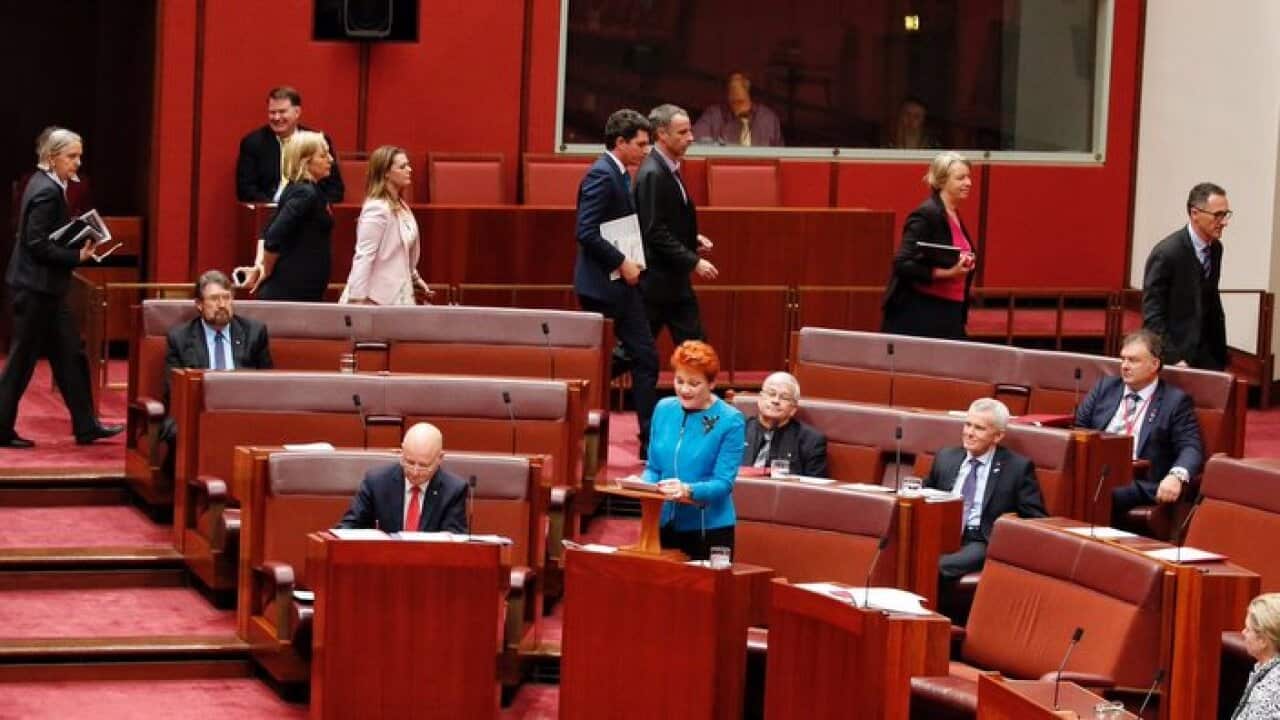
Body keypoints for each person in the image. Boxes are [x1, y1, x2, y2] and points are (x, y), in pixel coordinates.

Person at [0, 128, 122, 448]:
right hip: (35, 290)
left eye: (79, 156)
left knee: (71, 355)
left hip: (48, 290)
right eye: (71, 156)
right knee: (21, 363)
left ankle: (86, 425)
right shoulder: (45, 191)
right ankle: (1, 429)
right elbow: (36, 244)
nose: (77, 162)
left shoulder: (50, 185)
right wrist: (76, 255)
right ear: (52, 157)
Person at [573, 109, 660, 458]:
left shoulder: (620, 173)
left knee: (641, 356)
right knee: (643, 356)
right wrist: (622, 262)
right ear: (620, 142)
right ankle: (647, 442)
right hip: (604, 286)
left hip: (618, 284)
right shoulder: (602, 175)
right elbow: (586, 231)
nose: (647, 149)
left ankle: (647, 440)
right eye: (641, 143)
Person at [1074, 329, 1203, 525]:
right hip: (1097, 469)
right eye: (1123, 359)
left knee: (1102, 489)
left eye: (1133, 360)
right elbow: (1078, 428)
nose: (1125, 366)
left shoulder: (1174, 401)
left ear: (1154, 364)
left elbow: (1191, 447)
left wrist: (1176, 476)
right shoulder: (1105, 388)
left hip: (1140, 481)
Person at [632, 341, 744, 560]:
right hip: (662, 524)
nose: (684, 389)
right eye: (679, 381)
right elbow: (654, 467)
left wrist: (688, 490)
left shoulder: (731, 420)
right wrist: (642, 484)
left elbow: (723, 483)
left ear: (711, 384)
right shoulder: (663, 408)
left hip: (707, 529)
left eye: (694, 383)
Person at [925, 398, 1047, 580]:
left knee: (936, 565)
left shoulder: (1017, 468)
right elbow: (925, 493)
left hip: (981, 539)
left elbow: (1036, 519)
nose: (969, 433)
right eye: (967, 425)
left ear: (998, 436)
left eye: (979, 428)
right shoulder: (946, 457)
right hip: (943, 532)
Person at [635, 104, 717, 347]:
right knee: (632, 353)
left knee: (696, 348)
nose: (691, 138)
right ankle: (586, 378)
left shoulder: (667, 168)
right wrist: (693, 261)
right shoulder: (653, 173)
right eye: (682, 133)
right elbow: (654, 231)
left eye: (690, 131)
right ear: (661, 134)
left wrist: (691, 239)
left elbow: (666, 220)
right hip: (658, 284)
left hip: (672, 282)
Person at [881, 151, 977, 339]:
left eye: (968, 177)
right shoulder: (927, 214)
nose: (968, 183)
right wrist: (948, 273)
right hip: (923, 313)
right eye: (960, 178)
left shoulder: (952, 214)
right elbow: (901, 263)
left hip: (950, 311)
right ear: (942, 181)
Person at [237, 131, 335, 301]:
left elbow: (267, 230)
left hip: (300, 290)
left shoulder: (298, 189)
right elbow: (272, 236)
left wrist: (261, 266)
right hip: (291, 291)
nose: (331, 159)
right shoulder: (305, 193)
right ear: (305, 161)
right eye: (323, 155)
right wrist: (265, 270)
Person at [1142, 182, 1229, 370]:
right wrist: (1173, 358)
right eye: (1218, 215)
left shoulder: (1216, 249)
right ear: (1194, 213)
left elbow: (1209, 298)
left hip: (1209, 355)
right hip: (1178, 357)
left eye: (1226, 214)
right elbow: (1153, 316)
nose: (1224, 222)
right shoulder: (1166, 254)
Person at [339, 145, 431, 305]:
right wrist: (356, 300)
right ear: (386, 173)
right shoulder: (377, 208)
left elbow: (401, 251)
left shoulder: (401, 205)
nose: (409, 169)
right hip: (375, 298)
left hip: (399, 292)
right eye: (402, 167)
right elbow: (364, 255)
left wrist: (415, 278)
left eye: (408, 165)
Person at [336, 422, 469, 533]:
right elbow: (347, 528)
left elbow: (454, 545)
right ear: (402, 452)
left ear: (440, 458)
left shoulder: (453, 491)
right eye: (410, 462)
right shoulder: (376, 482)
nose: (415, 472)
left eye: (423, 465)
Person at [235, 86, 344, 203]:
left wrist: (313, 207)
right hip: (269, 212)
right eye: (272, 112)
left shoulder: (317, 141)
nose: (276, 117)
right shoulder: (253, 143)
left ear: (297, 112)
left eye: (282, 112)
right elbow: (246, 190)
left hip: (310, 212)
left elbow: (335, 189)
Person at [741, 371, 828, 478]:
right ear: (760, 399)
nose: (776, 401)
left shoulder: (811, 441)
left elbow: (816, 489)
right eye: (771, 394)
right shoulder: (738, 429)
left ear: (793, 409)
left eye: (784, 397)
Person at [692, 72, 784, 147]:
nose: (737, 108)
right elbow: (695, 140)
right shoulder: (713, 116)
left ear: (751, 97)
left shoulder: (769, 119)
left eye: (740, 102)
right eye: (733, 102)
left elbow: (781, 155)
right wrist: (720, 146)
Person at [1230, 593, 1280, 720]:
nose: (1243, 633)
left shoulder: (1271, 691)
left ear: (1263, 640)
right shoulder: (1266, 670)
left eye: (1248, 629)